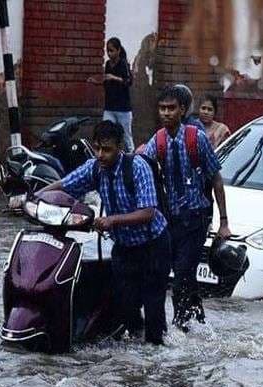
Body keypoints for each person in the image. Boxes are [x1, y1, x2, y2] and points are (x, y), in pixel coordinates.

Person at [39, 120, 171, 345]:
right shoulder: (94, 167)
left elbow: (148, 212)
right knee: (125, 306)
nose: (101, 155)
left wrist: (112, 221)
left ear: (120, 147)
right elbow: (66, 184)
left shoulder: (138, 167)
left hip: (153, 246)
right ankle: (139, 346)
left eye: (107, 149)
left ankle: (157, 352)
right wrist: (33, 197)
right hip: (124, 247)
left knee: (153, 307)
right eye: (98, 148)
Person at [140, 85, 231, 332]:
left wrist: (223, 222)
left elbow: (216, 179)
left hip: (196, 218)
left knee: (180, 274)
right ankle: (198, 319)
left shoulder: (196, 137)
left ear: (182, 110)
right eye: (162, 108)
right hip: (172, 221)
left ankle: (179, 327)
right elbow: (142, 168)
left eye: (171, 108)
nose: (166, 113)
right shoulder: (157, 140)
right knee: (182, 274)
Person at [88, 37, 134, 152]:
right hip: (110, 106)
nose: (109, 53)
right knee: (105, 133)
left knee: (126, 136)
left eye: (112, 50)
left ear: (118, 50)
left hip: (123, 108)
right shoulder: (108, 64)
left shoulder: (123, 64)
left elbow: (128, 81)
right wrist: (97, 82)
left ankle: (132, 157)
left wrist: (115, 78)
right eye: (107, 51)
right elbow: (107, 82)